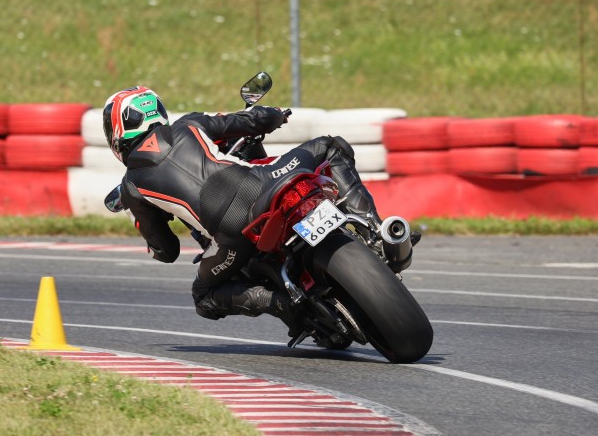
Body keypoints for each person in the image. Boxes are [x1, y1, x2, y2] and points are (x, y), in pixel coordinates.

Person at [102, 86, 390, 336]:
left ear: (116, 130)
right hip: (266, 185)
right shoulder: (189, 125)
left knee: (203, 296)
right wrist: (276, 114)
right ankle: (376, 231)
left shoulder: (131, 186)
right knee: (331, 147)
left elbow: (167, 251)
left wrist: (145, 228)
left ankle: (283, 304)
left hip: (231, 236)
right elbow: (249, 120)